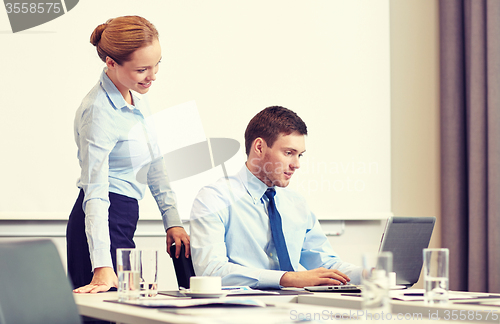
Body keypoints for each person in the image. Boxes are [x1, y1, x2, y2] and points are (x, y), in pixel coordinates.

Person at [66, 16, 189, 294]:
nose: (153, 75)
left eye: (158, 63)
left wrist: (173, 221)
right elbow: (95, 191)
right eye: (142, 69)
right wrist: (101, 263)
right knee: (101, 315)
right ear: (111, 63)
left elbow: (154, 163)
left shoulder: (135, 98)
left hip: (122, 216)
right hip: (103, 218)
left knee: (126, 309)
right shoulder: (98, 112)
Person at [190, 106, 362, 289]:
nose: (296, 165)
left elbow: (326, 265)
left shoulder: (296, 203)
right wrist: (287, 279)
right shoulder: (214, 198)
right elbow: (211, 271)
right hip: (241, 311)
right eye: (289, 153)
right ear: (259, 147)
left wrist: (372, 274)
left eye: (300, 155)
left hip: (296, 308)